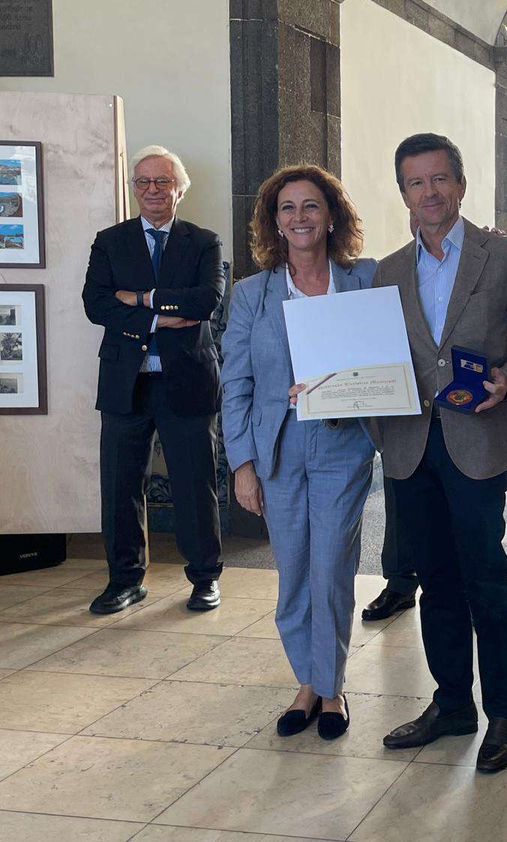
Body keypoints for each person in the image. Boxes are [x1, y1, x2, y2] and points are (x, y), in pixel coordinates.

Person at [376, 133, 507, 772]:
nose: (428, 193)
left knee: (486, 579)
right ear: (403, 192)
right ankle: (452, 703)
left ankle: (503, 713)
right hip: (408, 444)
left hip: (477, 441)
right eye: (414, 182)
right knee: (434, 581)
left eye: (438, 180)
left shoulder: (504, 257)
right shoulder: (389, 270)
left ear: (459, 184)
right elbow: (378, 355)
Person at [220, 164, 375, 741]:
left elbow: (390, 354)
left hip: (343, 444)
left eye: (311, 206)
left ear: (331, 214)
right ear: (274, 221)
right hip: (276, 450)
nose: (300, 217)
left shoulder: (365, 280)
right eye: (287, 208)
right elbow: (234, 385)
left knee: (331, 566)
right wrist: (242, 465)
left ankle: (328, 688)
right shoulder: (251, 295)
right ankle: (306, 680)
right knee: (292, 575)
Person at [82, 145, 225, 615]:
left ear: (179, 189)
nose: (152, 191)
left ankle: (204, 577)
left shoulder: (203, 241)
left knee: (193, 482)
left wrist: (140, 299)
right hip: (127, 383)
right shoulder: (110, 240)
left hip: (186, 381)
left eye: (162, 182)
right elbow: (96, 304)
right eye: (142, 182)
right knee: (121, 485)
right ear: (133, 190)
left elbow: (205, 301)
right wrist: (158, 319)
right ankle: (125, 580)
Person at [360, 213, 423, 623]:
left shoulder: (481, 258)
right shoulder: (390, 270)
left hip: (462, 412)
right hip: (404, 407)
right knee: (400, 500)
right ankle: (400, 583)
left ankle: (469, 585)